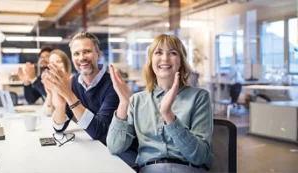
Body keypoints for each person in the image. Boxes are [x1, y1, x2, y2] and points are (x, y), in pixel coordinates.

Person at [106, 34, 213, 173]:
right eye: (158, 52)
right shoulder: (137, 100)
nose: (164, 58)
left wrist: (168, 116)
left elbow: (199, 156)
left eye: (173, 53)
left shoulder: (199, 97)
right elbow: (114, 147)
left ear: (181, 62)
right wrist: (124, 102)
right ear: (151, 61)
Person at [45, 32, 137, 166]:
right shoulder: (74, 83)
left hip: (119, 155)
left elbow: (99, 131)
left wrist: (69, 96)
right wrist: (61, 103)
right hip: (94, 151)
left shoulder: (113, 85)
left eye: (87, 51)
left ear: (98, 54)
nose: (81, 58)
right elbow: (59, 127)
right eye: (76, 54)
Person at [40, 49, 72, 117]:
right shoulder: (53, 82)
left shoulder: (72, 81)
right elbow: (47, 113)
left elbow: (63, 111)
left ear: (66, 64)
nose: (54, 65)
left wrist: (53, 90)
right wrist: (49, 93)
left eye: (59, 61)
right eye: (51, 62)